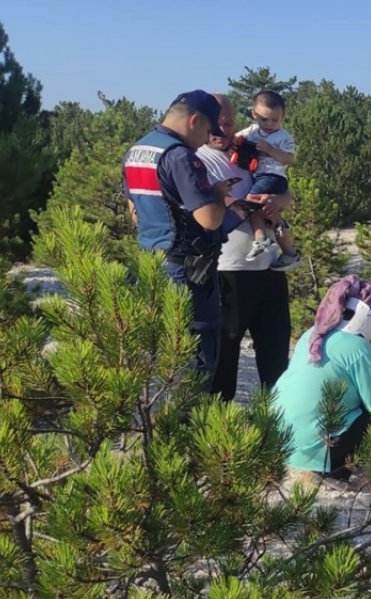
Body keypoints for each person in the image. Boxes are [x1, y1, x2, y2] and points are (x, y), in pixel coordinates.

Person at [123, 89, 247, 388]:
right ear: (194, 120)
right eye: (207, 130)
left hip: (151, 267)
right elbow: (210, 218)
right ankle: (192, 428)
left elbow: (134, 212)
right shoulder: (181, 157)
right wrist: (217, 194)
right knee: (197, 366)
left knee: (166, 359)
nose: (207, 139)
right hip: (188, 273)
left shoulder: (138, 150)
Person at [196, 94, 301, 402]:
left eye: (226, 123)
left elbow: (278, 185)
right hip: (229, 272)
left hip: (268, 268)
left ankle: (278, 427)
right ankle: (221, 435)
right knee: (224, 358)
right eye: (213, 123)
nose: (219, 129)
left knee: (276, 357)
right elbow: (206, 209)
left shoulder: (244, 151)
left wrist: (284, 199)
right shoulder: (197, 160)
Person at [272, 275, 371, 482]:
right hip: (316, 446)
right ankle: (335, 470)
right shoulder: (358, 347)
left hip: (280, 436)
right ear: (369, 317)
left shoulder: (311, 334)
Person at [234, 90, 297, 261]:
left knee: (250, 201)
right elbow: (235, 139)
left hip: (273, 176)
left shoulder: (284, 136)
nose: (269, 124)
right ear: (254, 114)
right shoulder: (253, 130)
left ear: (283, 116)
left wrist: (270, 150)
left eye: (275, 120)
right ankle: (272, 228)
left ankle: (261, 238)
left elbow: (290, 158)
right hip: (259, 176)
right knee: (259, 206)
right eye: (264, 119)